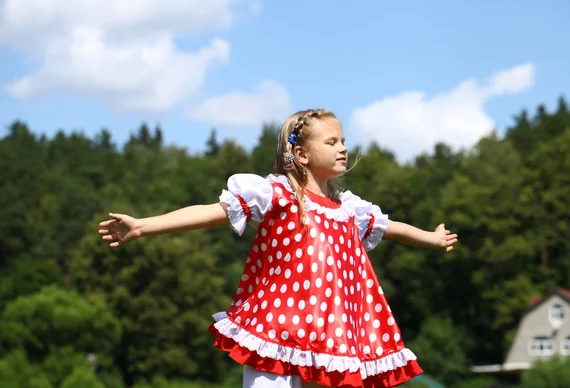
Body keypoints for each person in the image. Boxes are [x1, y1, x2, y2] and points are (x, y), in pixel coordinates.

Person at [98, 109, 458, 388]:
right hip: (276, 330)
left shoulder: (350, 210)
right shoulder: (277, 194)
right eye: (331, 142)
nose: (343, 148)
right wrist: (143, 225)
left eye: (343, 140)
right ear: (300, 154)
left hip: (330, 336)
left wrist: (431, 237)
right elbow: (211, 213)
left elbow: (390, 228)